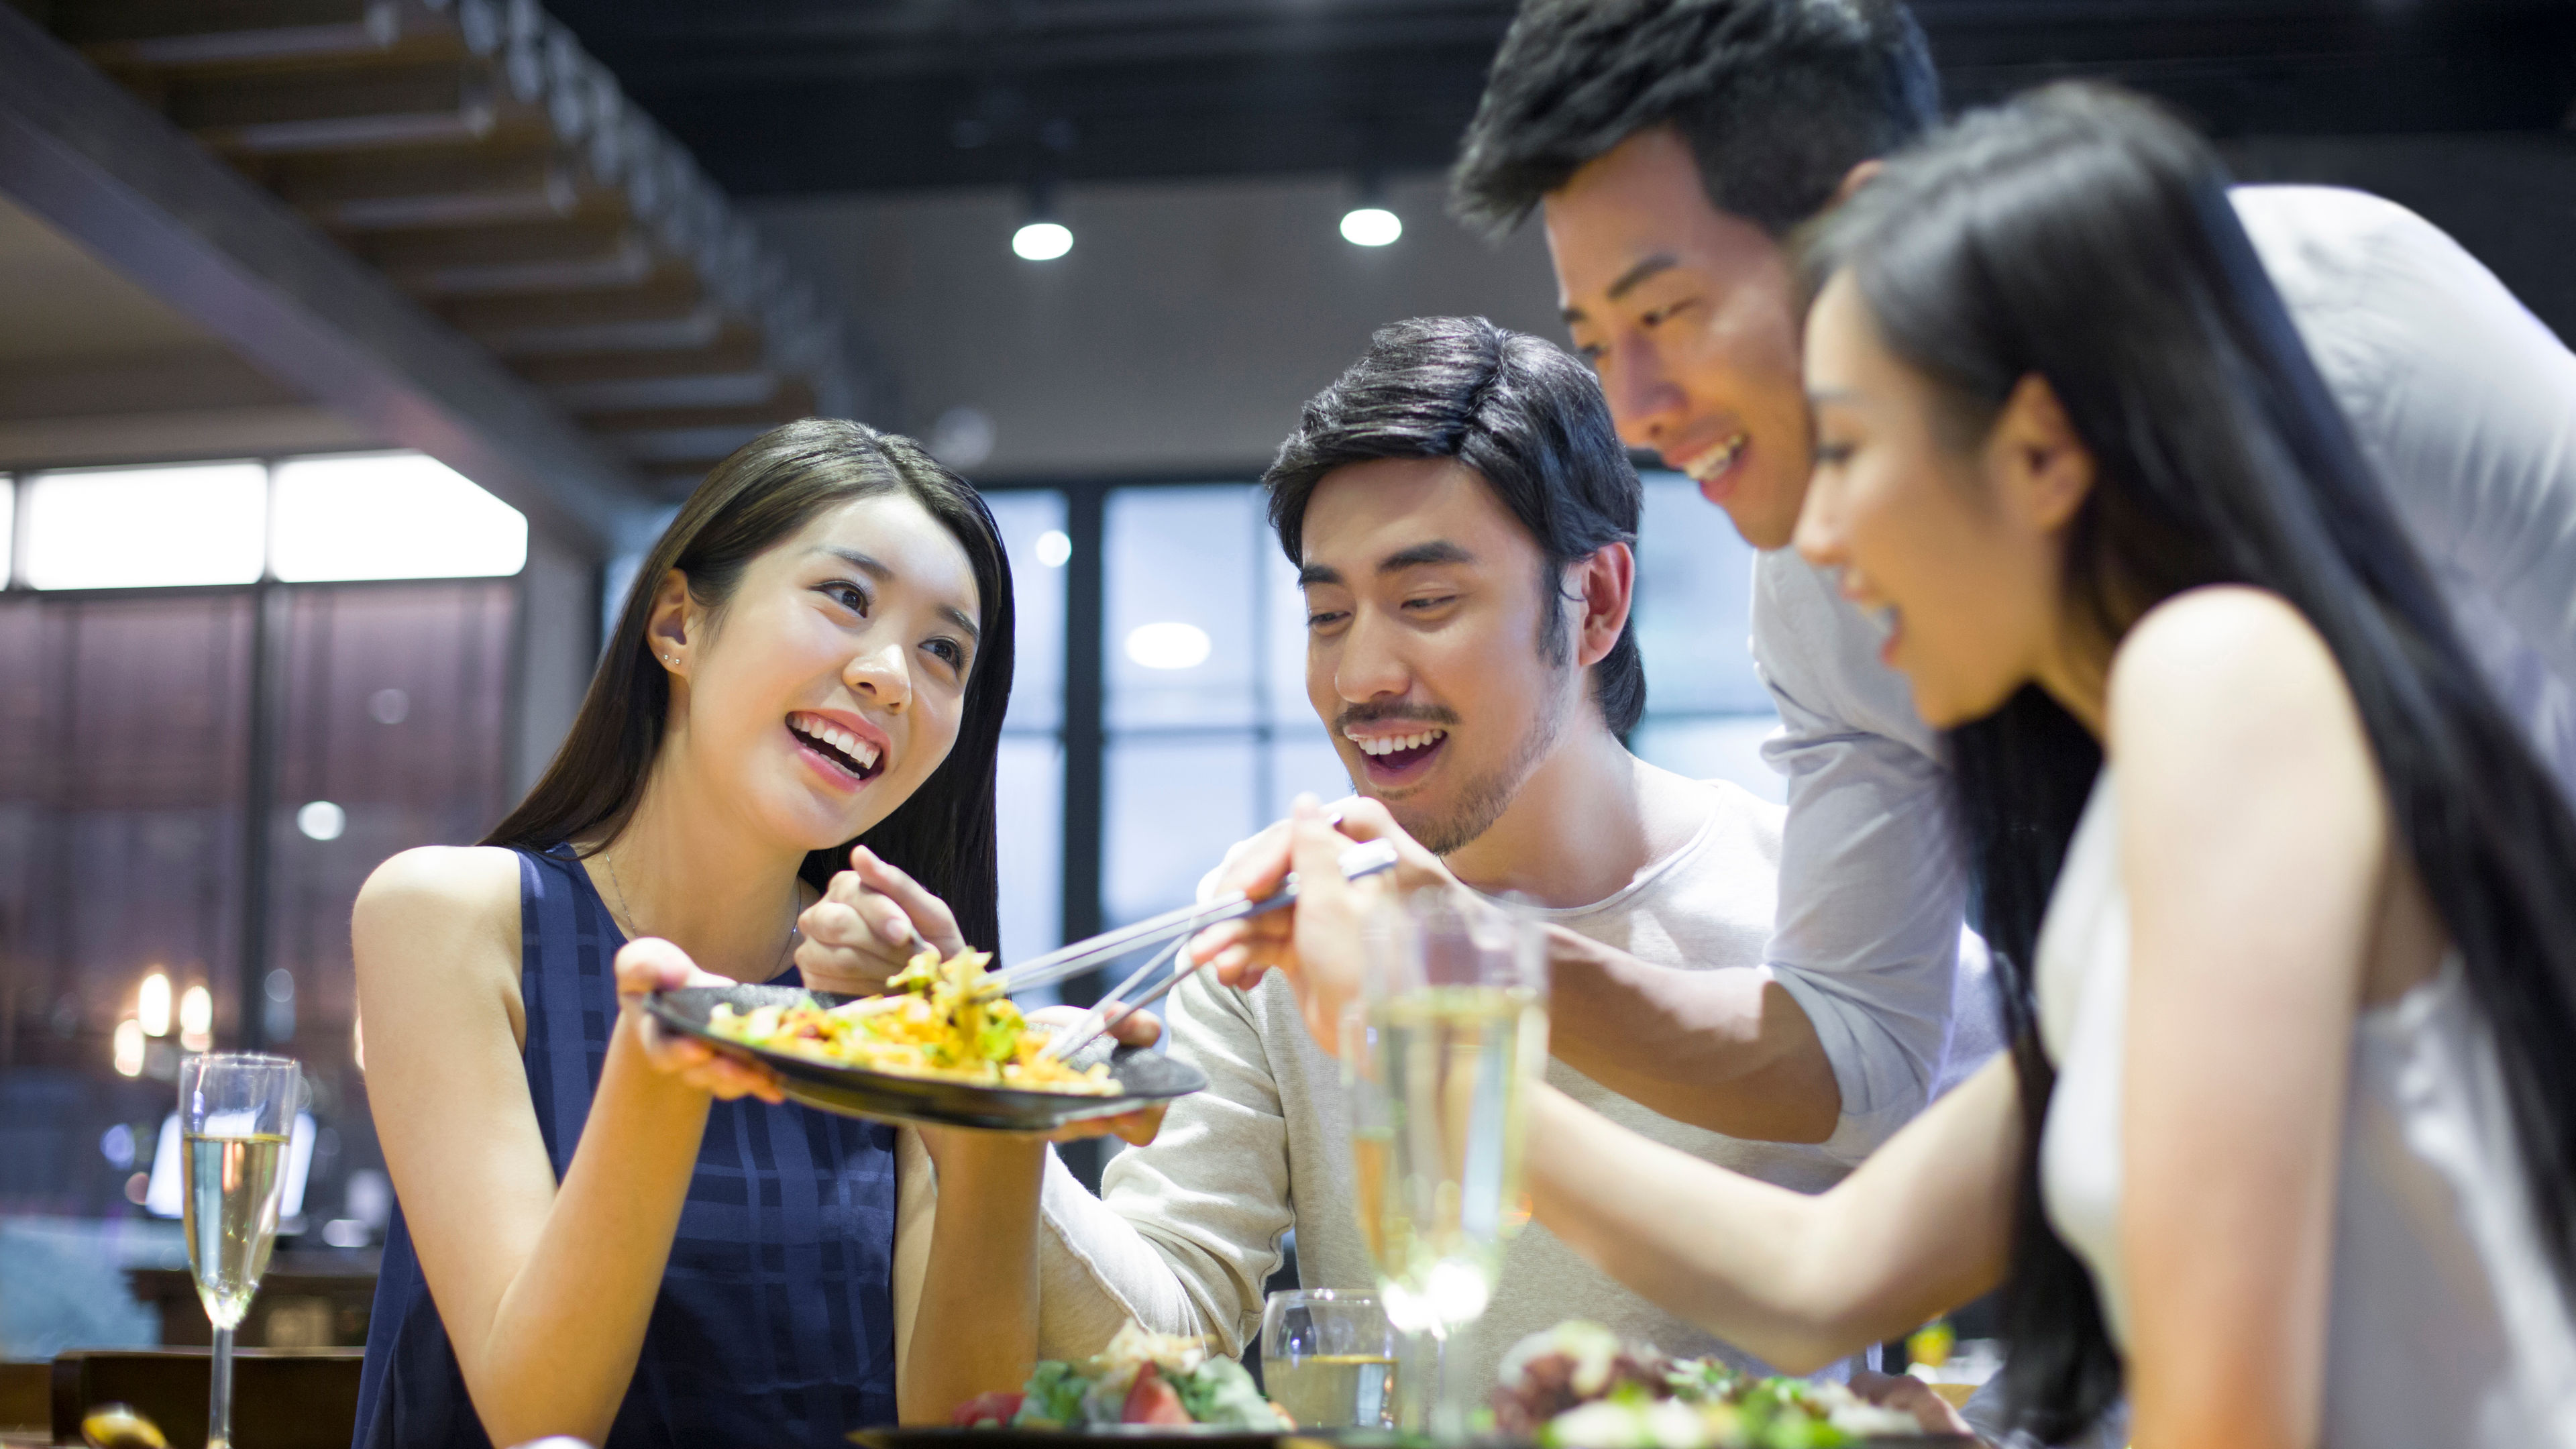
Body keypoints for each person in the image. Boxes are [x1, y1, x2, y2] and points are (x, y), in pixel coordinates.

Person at [1273, 86, 2576, 1447]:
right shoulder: (2149, 821)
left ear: (2038, 450)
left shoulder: (2224, 680)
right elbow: (1817, 1280)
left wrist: (1417, 1016)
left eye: (1849, 447)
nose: (1817, 541)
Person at [1421, 0, 2576, 1147]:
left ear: (1859, 232)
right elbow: (1856, 1044)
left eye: (1667, 313)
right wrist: (1455, 948)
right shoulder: (1826, 589)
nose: (1635, 411)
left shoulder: (2343, 316)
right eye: (1594, 344)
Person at [800, 317, 1888, 1395]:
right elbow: (1168, 1329)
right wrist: (964, 1070)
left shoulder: (1813, 913)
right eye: (1327, 616)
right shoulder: (1275, 928)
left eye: (1426, 602)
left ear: (1595, 600)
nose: (1361, 676)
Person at [350, 419, 1154, 1446]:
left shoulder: (894, 999)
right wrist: (668, 1060)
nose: (891, 676)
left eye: (944, 651)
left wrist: (993, 1107)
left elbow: (962, 1427)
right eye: (846, 597)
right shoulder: (450, 918)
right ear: (679, 623)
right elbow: (539, 1418)